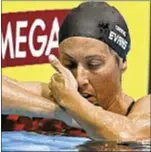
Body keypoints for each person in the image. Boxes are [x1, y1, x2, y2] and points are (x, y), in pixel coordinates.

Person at [2, 2, 150, 141]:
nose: (79, 79)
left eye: (94, 64)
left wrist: (75, 106)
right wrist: (59, 112)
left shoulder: (145, 108)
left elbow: (128, 134)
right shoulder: (60, 98)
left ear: (122, 62)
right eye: (70, 64)